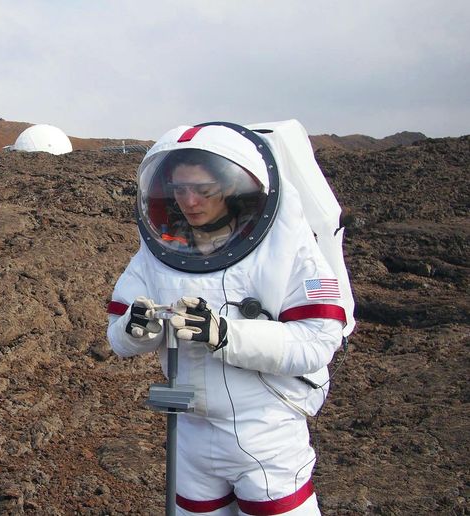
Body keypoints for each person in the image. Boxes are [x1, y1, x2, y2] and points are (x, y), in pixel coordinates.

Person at [107, 123, 349, 515]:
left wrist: (224, 335)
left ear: (234, 189)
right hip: (190, 433)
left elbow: (318, 341)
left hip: (264, 429)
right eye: (180, 190)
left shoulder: (286, 248)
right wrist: (138, 330)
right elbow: (117, 339)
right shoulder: (159, 251)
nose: (189, 202)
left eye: (203, 190)